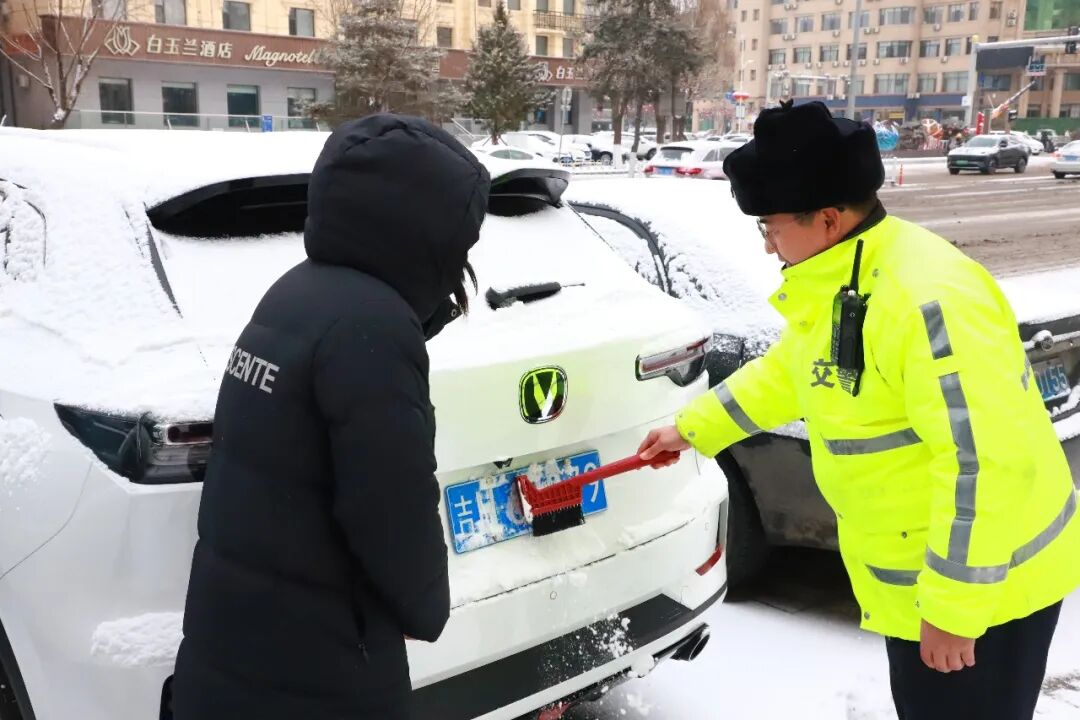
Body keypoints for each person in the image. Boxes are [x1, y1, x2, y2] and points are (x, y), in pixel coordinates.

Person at [639, 100, 1080, 720]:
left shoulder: (924, 301)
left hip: (988, 591)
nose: (767, 246)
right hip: (927, 584)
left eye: (770, 228)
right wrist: (693, 429)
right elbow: (796, 370)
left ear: (826, 218)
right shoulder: (846, 275)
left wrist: (955, 610)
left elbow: (984, 463)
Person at [172, 115, 491, 720]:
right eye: (461, 241)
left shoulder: (297, 291)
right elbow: (390, 502)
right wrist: (425, 606)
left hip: (244, 638)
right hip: (323, 661)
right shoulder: (372, 327)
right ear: (423, 233)